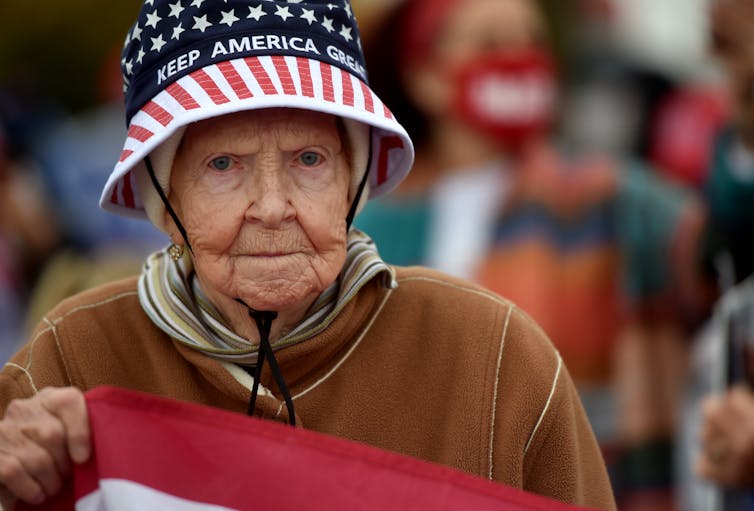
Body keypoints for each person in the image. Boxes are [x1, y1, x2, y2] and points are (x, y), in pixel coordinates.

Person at [0, 1, 616, 509]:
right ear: (163, 197)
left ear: (355, 178)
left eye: (310, 160)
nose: (273, 206)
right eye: (223, 165)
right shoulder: (72, 355)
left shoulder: (495, 357)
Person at [354, 1, 703, 508]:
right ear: (425, 75)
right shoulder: (367, 225)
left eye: (531, 42)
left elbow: (714, 252)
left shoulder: (613, 199)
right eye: (491, 44)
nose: (518, 59)